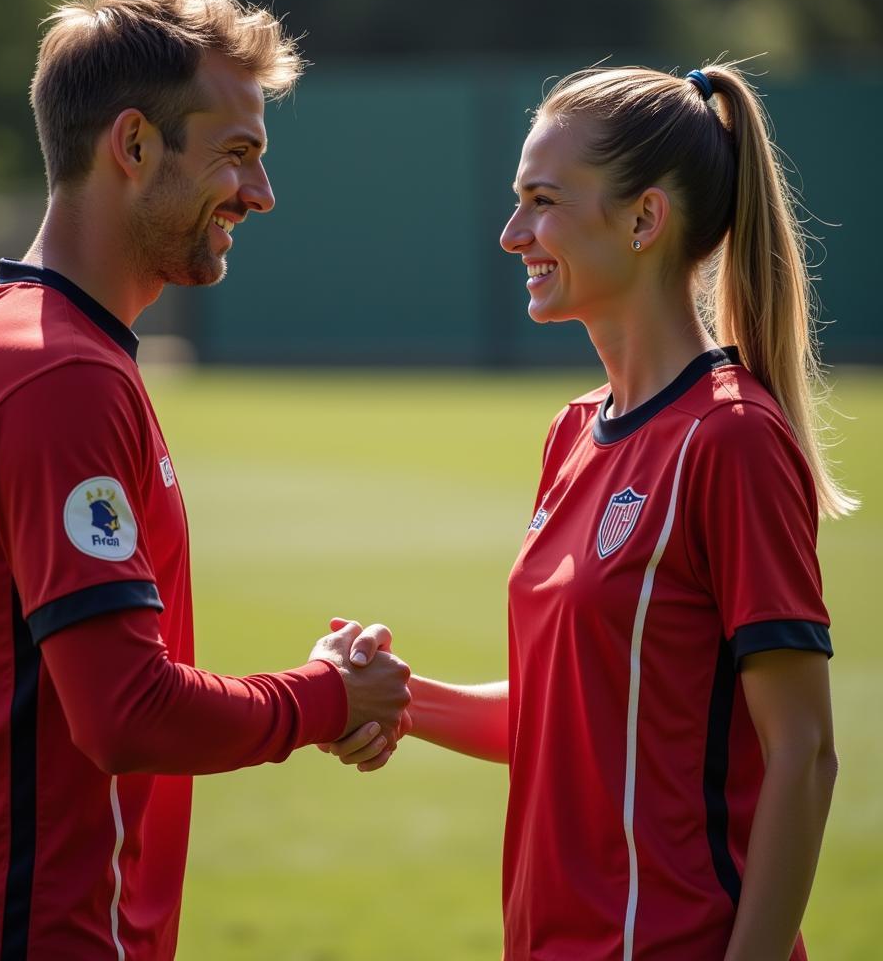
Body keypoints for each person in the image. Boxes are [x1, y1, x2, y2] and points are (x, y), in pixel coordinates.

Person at [0, 0, 410, 961]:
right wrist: (327, 698)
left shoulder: (14, 340)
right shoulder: (57, 374)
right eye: (237, 154)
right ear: (134, 144)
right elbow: (125, 712)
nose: (262, 193)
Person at [328, 63, 854, 960]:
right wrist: (387, 698)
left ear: (645, 219)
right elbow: (564, 716)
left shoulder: (728, 441)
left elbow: (802, 753)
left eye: (542, 201)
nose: (510, 234)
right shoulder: (574, 431)